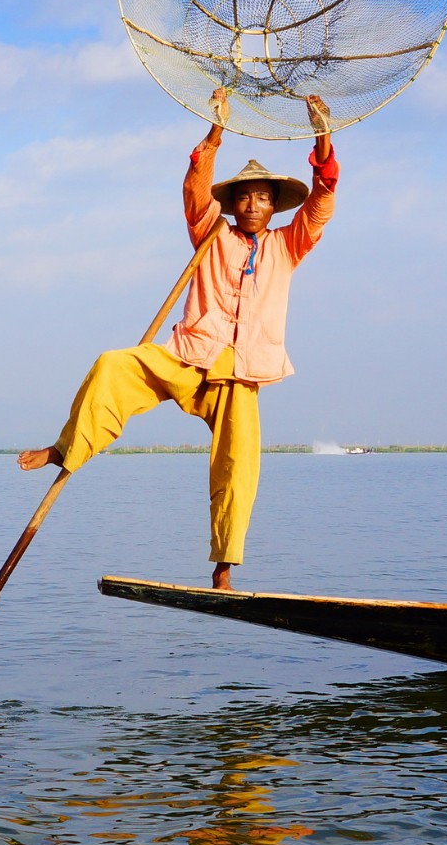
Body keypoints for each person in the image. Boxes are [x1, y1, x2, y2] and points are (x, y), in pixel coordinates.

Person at [18, 89, 339, 589]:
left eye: (262, 197)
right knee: (114, 365)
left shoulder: (287, 245)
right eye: (245, 196)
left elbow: (321, 204)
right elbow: (196, 186)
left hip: (240, 374)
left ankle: (223, 566)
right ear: (232, 203)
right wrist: (215, 132)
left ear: (274, 207)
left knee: (239, 465)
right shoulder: (211, 231)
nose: (253, 204)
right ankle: (66, 448)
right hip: (189, 357)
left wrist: (323, 138)